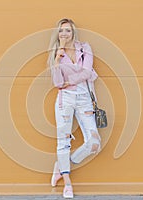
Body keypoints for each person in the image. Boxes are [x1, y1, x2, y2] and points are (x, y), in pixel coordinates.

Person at [47, 18, 101, 198]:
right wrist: (57, 58)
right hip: (65, 100)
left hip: (84, 98)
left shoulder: (84, 48)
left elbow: (87, 71)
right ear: (58, 33)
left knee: (94, 143)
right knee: (63, 141)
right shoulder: (56, 53)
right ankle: (67, 183)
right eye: (61, 31)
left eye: (68, 31)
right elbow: (57, 83)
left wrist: (69, 81)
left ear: (73, 32)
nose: (64, 34)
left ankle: (62, 165)